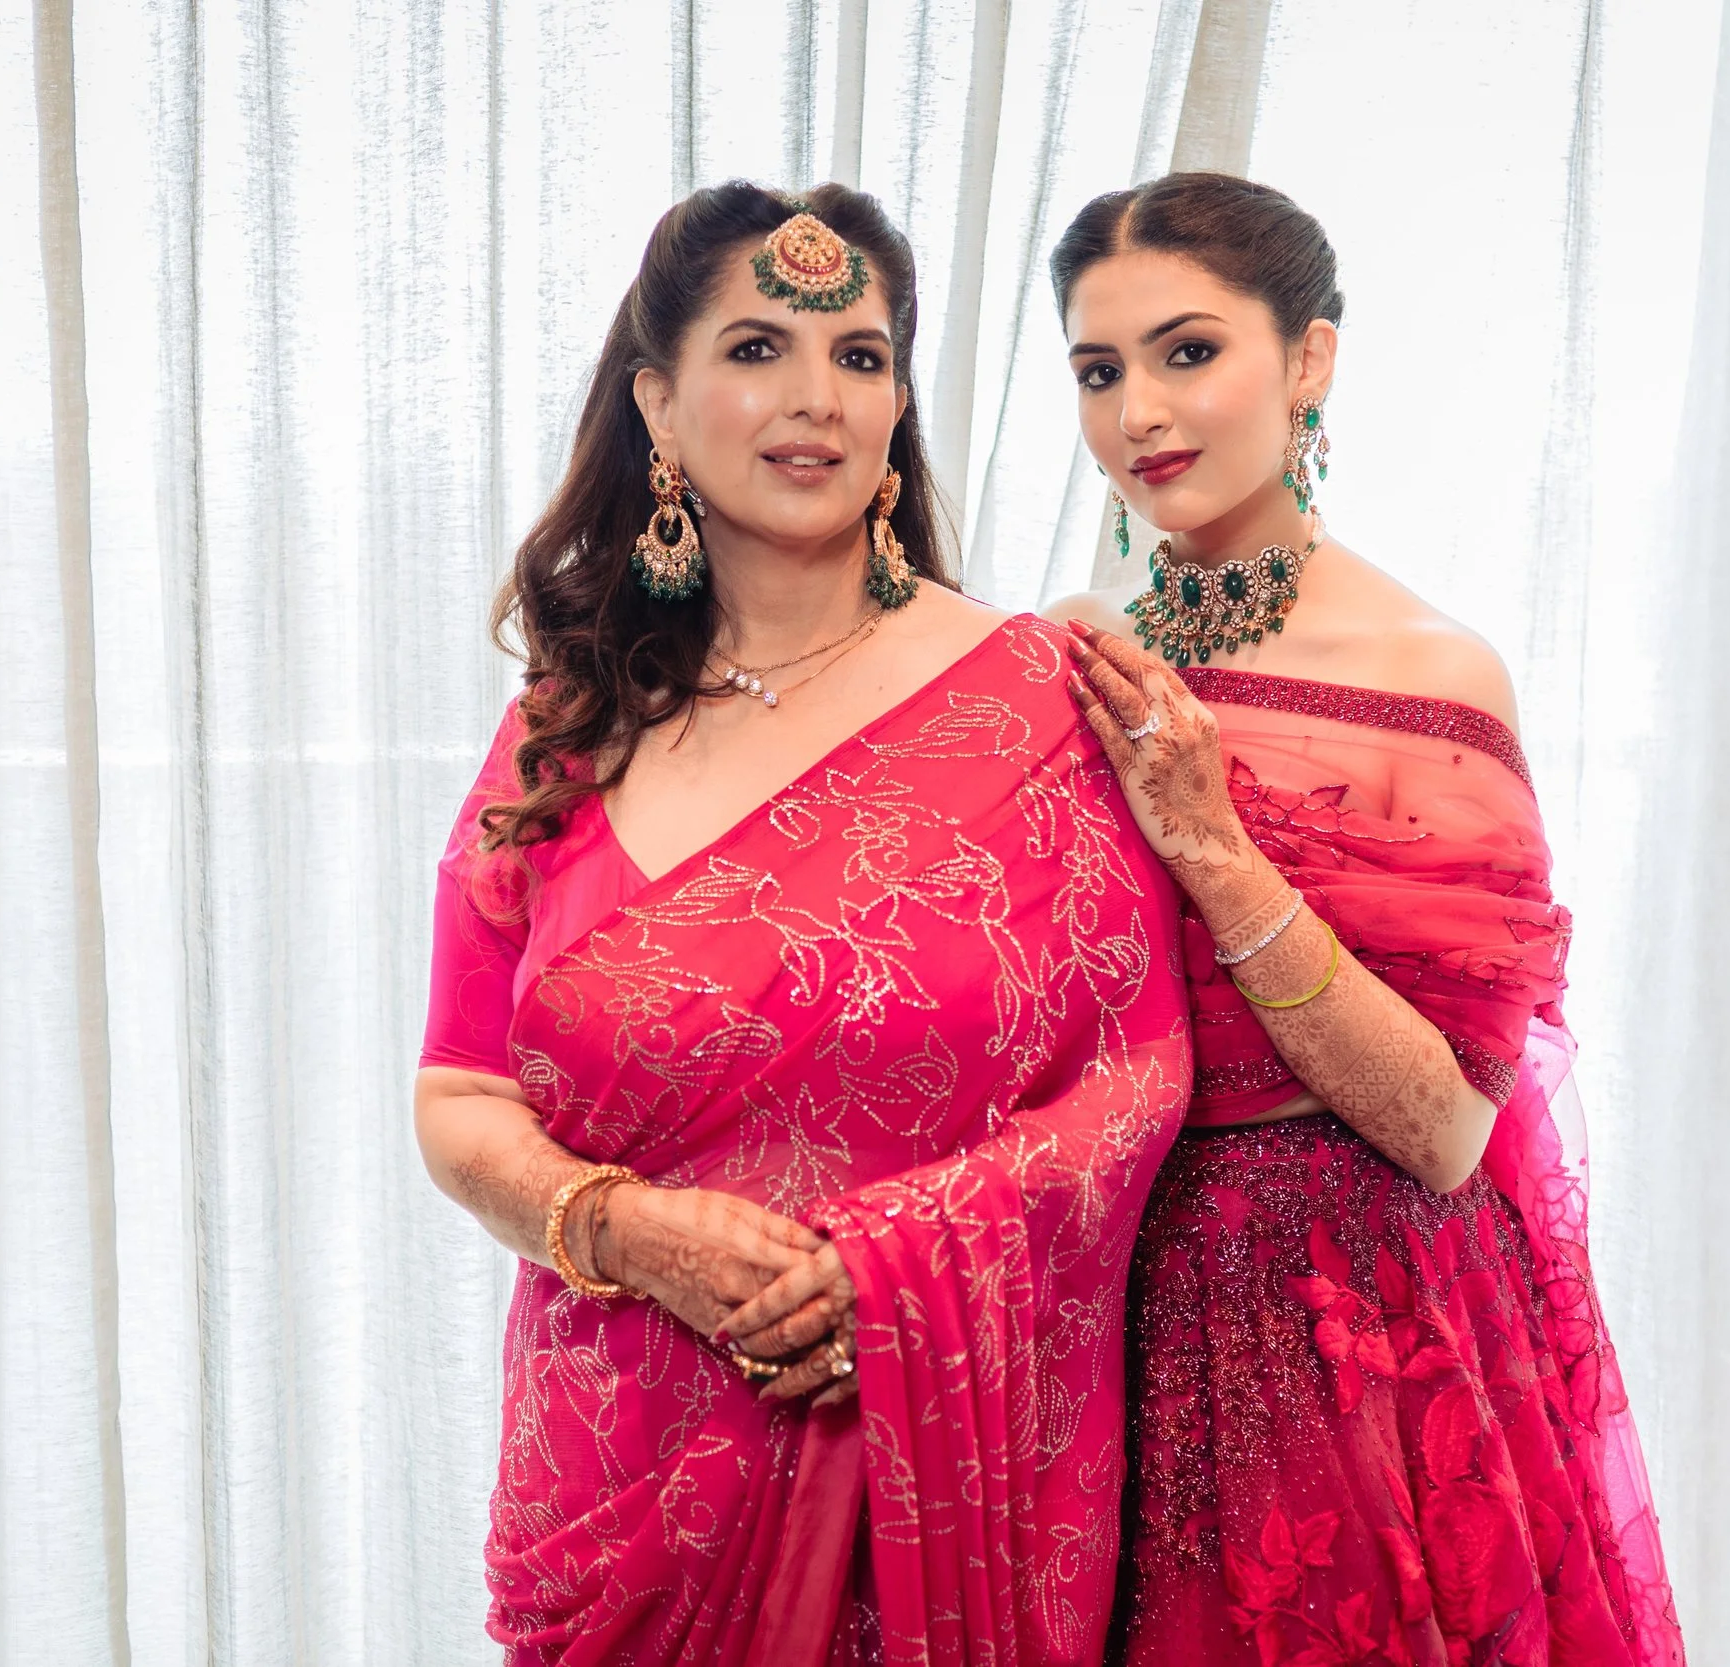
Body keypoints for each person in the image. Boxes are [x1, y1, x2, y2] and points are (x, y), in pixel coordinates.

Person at [413, 180, 1192, 1666]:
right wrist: (624, 1230)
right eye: (758, 347)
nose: (818, 397)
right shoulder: (567, 729)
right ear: (658, 400)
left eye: (861, 355)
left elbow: (1134, 1076)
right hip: (627, 1485)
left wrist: (891, 1276)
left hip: (930, 1483)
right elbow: (460, 1096)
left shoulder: (1035, 701)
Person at [1041, 173, 1686, 1667]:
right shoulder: (1069, 655)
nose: (1140, 410)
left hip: (1352, 1341)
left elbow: (1448, 1125)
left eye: (1188, 351)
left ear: (1310, 360)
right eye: (1099, 369)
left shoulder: (1429, 675)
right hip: (1095, 1325)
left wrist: (1212, 844)